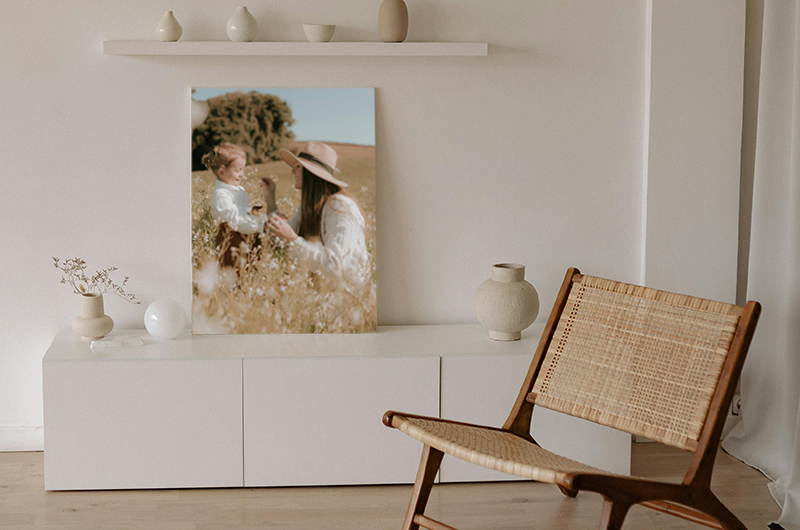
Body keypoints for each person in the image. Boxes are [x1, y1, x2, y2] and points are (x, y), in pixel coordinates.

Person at [264, 141, 369, 286]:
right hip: (320, 296)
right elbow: (283, 236)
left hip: (346, 299)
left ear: (311, 172)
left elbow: (335, 266)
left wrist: (292, 239)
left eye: (298, 167)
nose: (292, 171)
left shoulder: (340, 207)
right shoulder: (309, 206)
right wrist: (270, 200)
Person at [202, 143, 269, 273]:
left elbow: (245, 215)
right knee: (234, 273)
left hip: (247, 234)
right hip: (231, 240)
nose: (242, 174)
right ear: (222, 172)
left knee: (252, 271)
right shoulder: (221, 195)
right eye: (238, 170)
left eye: (242, 169)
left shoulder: (240, 190)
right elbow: (235, 222)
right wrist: (262, 226)